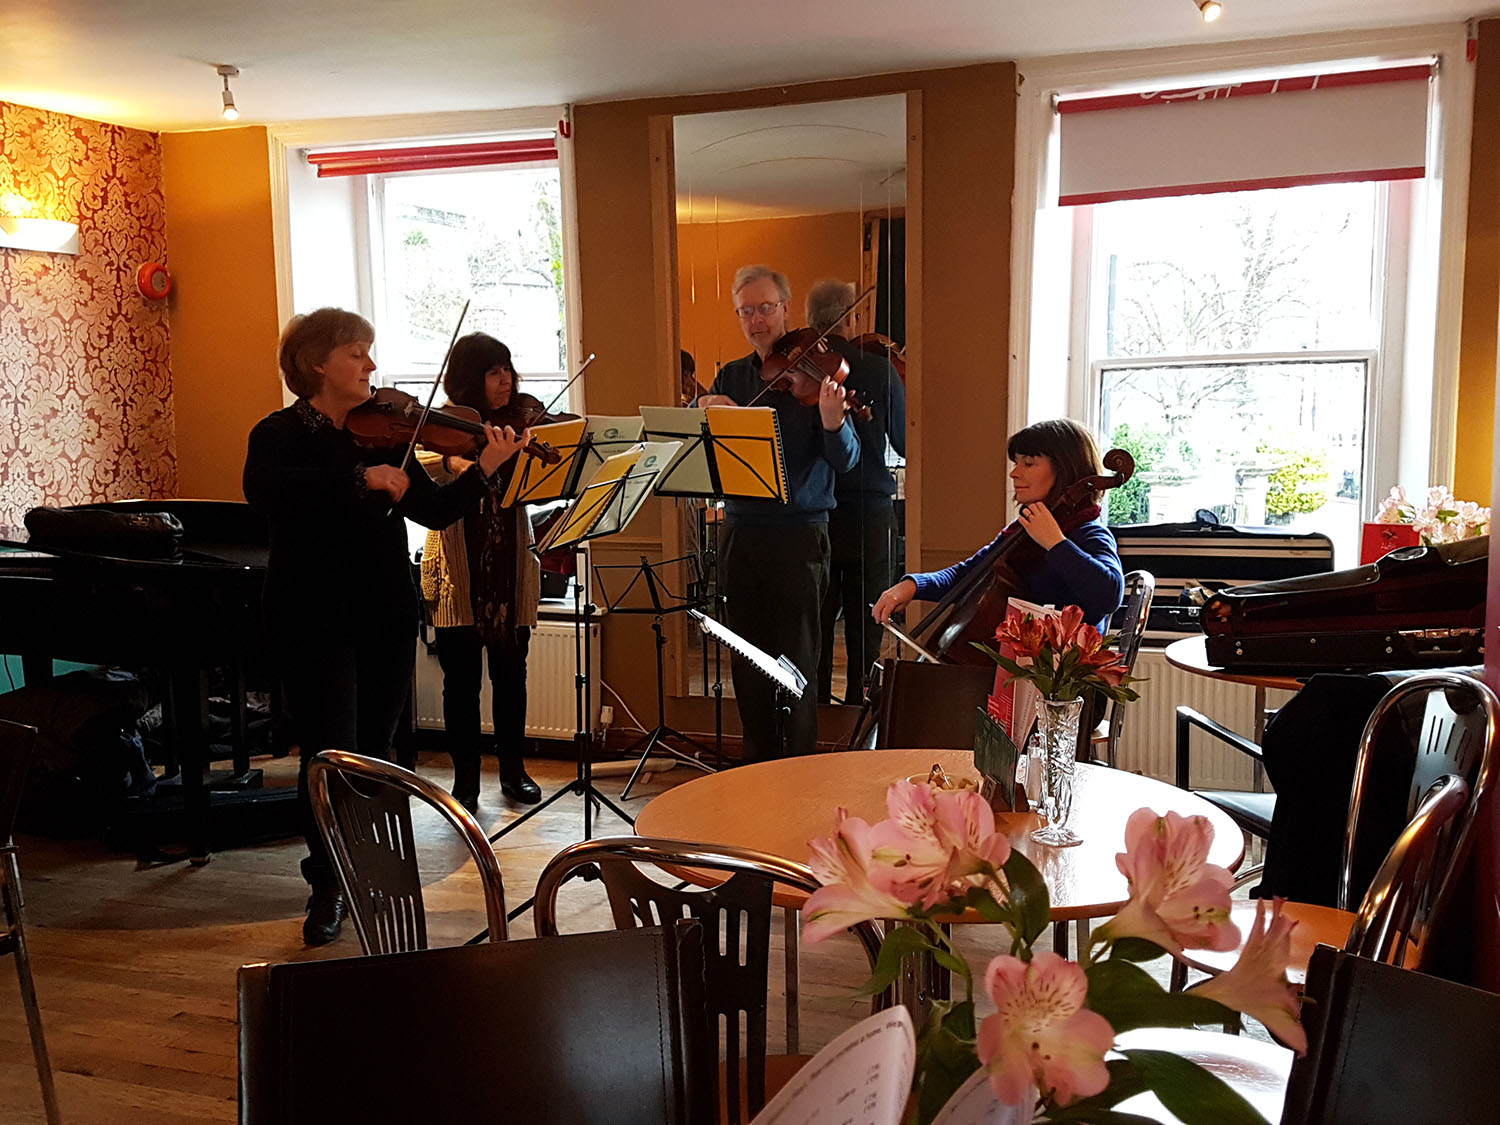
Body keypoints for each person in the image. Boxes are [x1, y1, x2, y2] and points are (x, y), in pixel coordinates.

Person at [243, 308, 526, 946]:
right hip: (313, 616)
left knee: (374, 755)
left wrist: (486, 468)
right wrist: (358, 479)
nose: (371, 365)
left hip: (385, 614)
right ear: (317, 363)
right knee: (327, 755)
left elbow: (435, 510)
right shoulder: (279, 434)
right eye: (357, 354)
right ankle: (327, 885)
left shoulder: (386, 435)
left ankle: (373, 874)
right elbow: (264, 491)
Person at [695, 265, 859, 760]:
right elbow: (708, 457)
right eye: (745, 311)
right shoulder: (733, 376)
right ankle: (756, 766)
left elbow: (847, 460)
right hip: (740, 532)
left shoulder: (820, 373)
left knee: (798, 662)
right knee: (746, 660)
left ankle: (800, 769)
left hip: (799, 535)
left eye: (765, 308)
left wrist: (833, 424)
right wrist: (704, 411)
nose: (757, 320)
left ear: (786, 308)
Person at [420, 332, 563, 814]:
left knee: (511, 676)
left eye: (508, 370)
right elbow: (423, 464)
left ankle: (513, 771)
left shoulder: (518, 424)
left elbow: (542, 485)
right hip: (458, 569)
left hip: (509, 565)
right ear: (469, 379)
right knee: (460, 683)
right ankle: (465, 782)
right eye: (493, 372)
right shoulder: (440, 425)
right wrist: (461, 460)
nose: (506, 381)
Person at [872, 418, 1123, 634]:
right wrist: (913, 585)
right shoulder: (1023, 532)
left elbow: (1109, 595)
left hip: (1061, 672)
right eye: (1016, 463)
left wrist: (1055, 542)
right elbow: (970, 574)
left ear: (1065, 470)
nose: (1015, 473)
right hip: (1019, 663)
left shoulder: (1089, 533)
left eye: (1028, 463)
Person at [804, 279, 907, 704]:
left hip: (816, 512)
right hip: (869, 512)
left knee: (817, 623)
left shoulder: (800, 373)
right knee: (867, 623)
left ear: (809, 320)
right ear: (853, 317)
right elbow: (905, 442)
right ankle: (858, 711)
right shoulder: (879, 370)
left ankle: (815, 711)